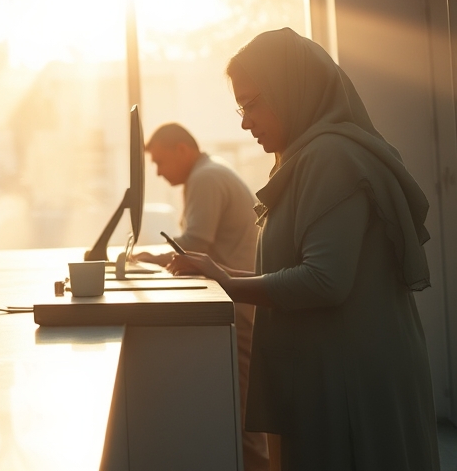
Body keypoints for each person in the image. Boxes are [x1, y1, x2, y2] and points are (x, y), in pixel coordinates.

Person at [170, 28, 439, 471]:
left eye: (253, 103)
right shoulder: (304, 157)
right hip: (334, 374)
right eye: (240, 106)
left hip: (350, 383)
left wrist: (227, 281)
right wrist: (220, 273)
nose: (244, 121)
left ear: (291, 90)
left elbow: (324, 280)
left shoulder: (330, 156)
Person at [130, 122, 268, 471]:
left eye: (160, 162)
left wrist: (153, 259)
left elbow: (195, 245)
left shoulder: (205, 178)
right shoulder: (211, 171)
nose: (158, 173)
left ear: (182, 150)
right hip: (240, 301)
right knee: (244, 413)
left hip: (239, 308)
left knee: (245, 417)